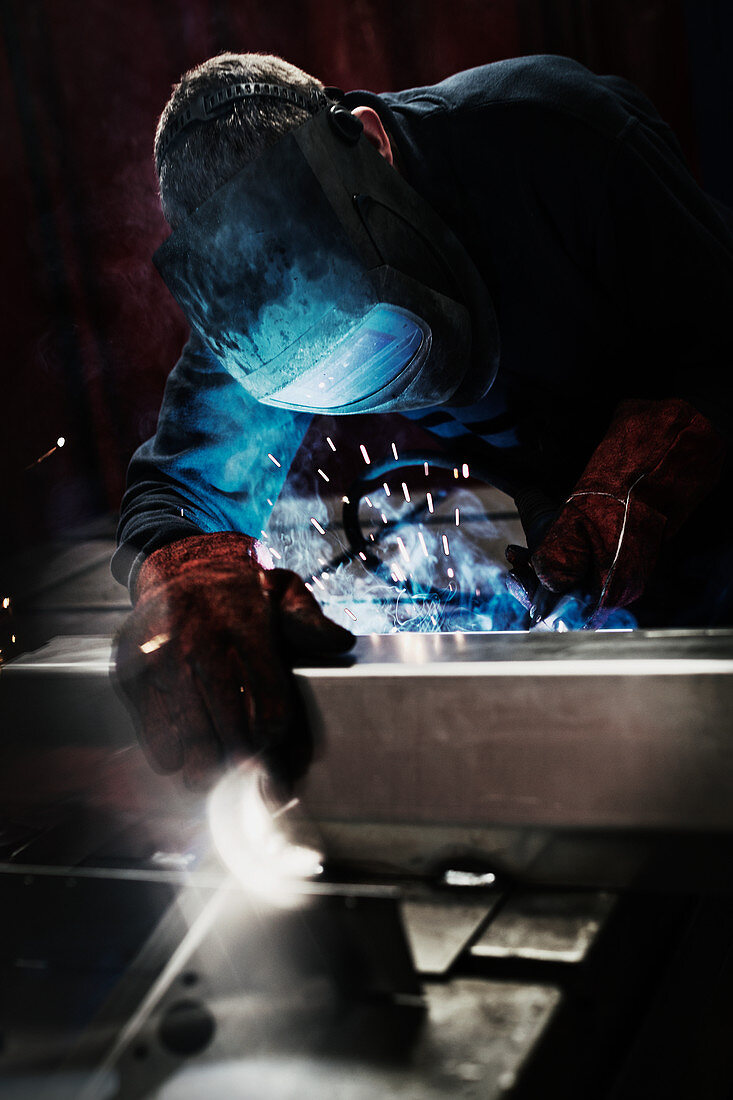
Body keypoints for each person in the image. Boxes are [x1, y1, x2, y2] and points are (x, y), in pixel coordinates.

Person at [112, 51, 731, 788]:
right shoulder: (259, 314)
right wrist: (188, 572)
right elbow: (175, 494)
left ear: (372, 145)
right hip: (577, 583)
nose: (377, 389)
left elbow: (717, 339)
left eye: (364, 330)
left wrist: (633, 485)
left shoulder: (551, 137)